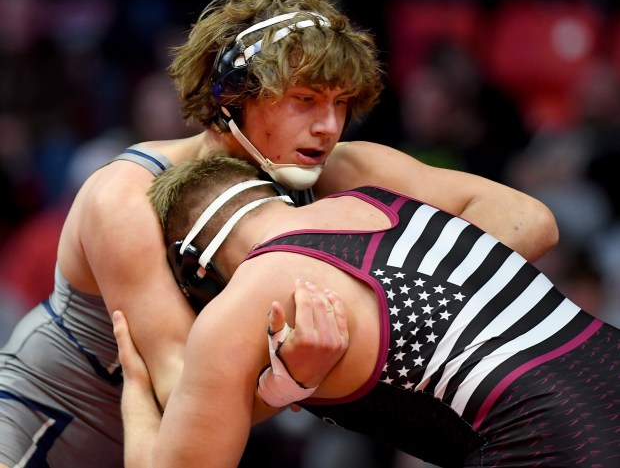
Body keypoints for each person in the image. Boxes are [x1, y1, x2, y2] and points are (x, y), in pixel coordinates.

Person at [0, 0, 558, 468]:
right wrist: (294, 377)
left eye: (340, 102)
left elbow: (527, 219)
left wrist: (390, 295)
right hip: (42, 426)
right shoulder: (124, 197)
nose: (328, 126)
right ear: (232, 97)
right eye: (306, 99)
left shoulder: (338, 169)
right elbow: (181, 393)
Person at [116, 154, 619, 468]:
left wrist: (136, 391)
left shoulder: (242, 302)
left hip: (553, 440)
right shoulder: (380, 199)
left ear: (192, 267)